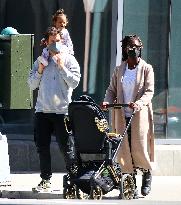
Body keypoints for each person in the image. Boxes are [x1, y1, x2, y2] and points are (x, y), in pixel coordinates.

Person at [28, 26, 81, 192]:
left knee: (67, 147)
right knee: (42, 147)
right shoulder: (40, 60)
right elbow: (31, 84)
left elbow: (75, 82)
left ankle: (74, 180)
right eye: (52, 42)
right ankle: (45, 180)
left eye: (58, 41)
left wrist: (62, 67)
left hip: (61, 111)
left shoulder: (69, 59)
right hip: (42, 111)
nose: (56, 45)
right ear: (46, 42)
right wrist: (40, 70)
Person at [102, 34, 154, 198]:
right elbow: (111, 90)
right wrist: (106, 102)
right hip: (122, 115)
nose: (135, 50)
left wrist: (138, 103)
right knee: (124, 150)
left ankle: (147, 173)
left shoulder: (146, 69)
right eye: (131, 47)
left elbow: (149, 91)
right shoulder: (119, 70)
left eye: (138, 47)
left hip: (140, 115)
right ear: (125, 49)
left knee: (139, 149)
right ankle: (130, 183)